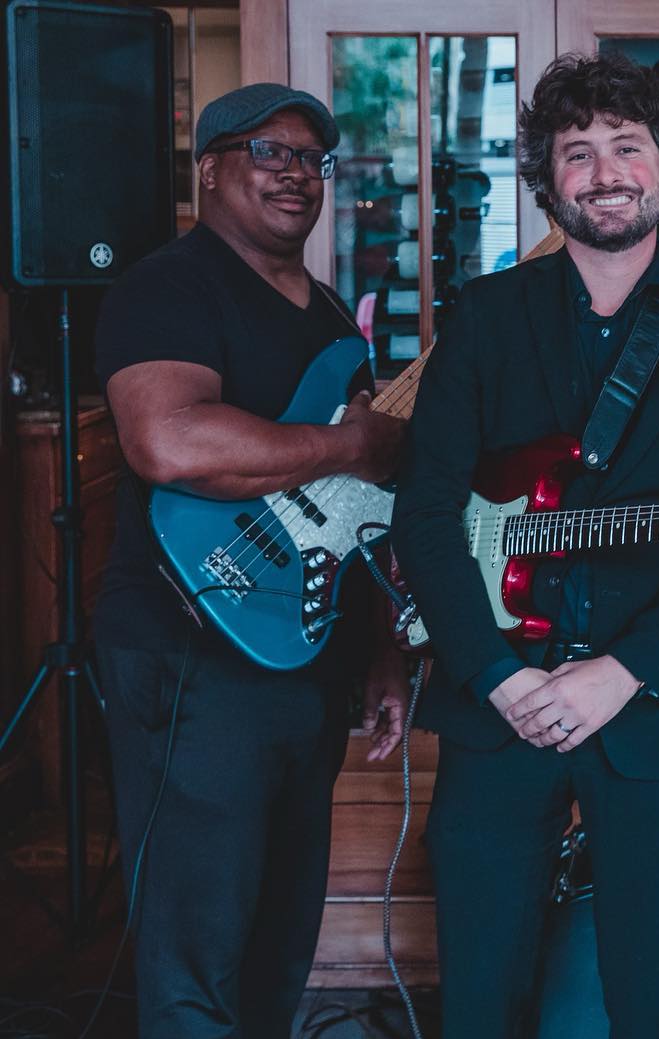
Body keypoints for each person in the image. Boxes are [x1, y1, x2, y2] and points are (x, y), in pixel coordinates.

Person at [389, 52, 659, 1036]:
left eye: (627, 147)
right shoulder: (483, 317)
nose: (606, 172)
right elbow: (425, 513)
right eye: (578, 152)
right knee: (481, 995)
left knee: (650, 996)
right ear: (548, 180)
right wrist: (496, 676)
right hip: (497, 707)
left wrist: (621, 672)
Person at [93, 83, 410, 1035]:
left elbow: (352, 513)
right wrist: (351, 443)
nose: (295, 173)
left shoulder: (333, 322)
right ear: (209, 169)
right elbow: (170, 442)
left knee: (279, 941)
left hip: (302, 653)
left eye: (312, 158)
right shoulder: (169, 286)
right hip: (191, 650)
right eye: (268, 152)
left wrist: (381, 648)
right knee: (198, 951)